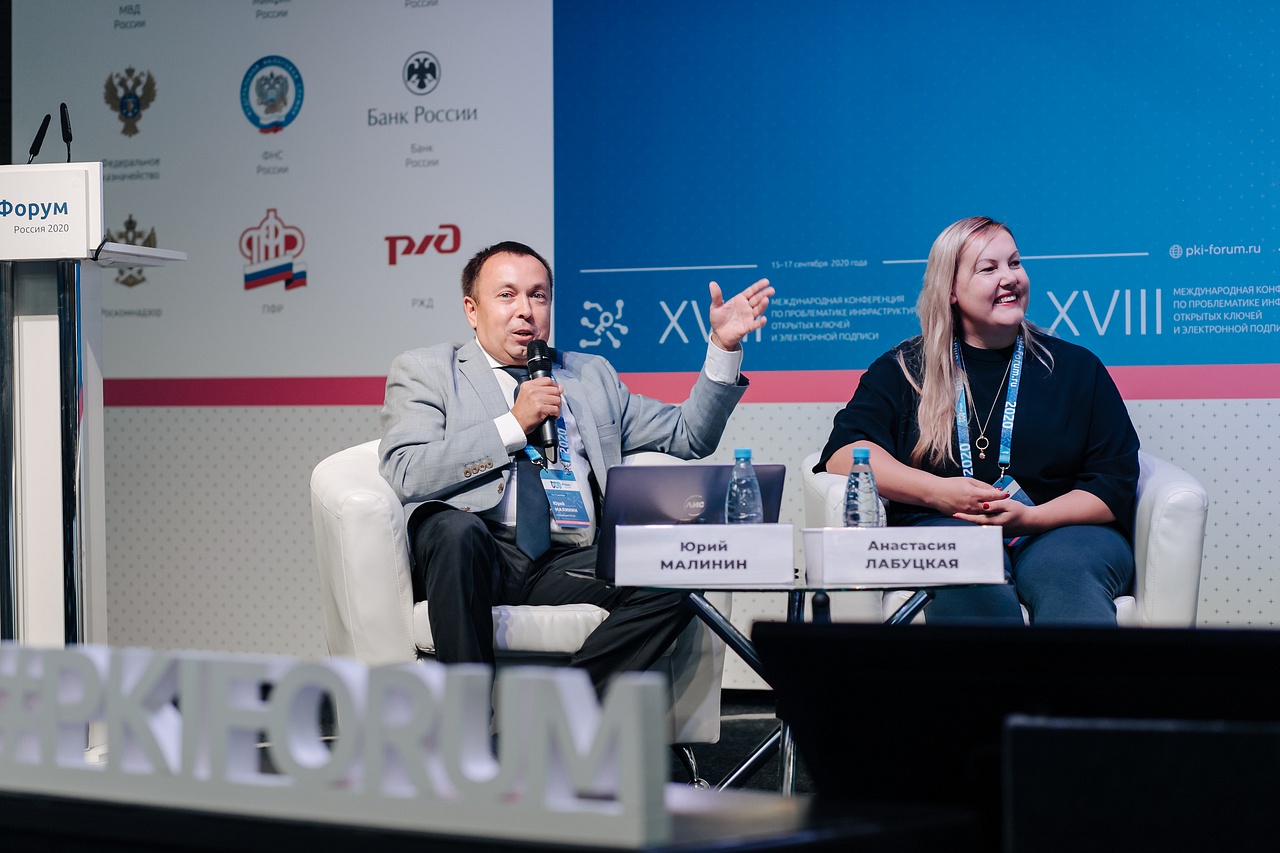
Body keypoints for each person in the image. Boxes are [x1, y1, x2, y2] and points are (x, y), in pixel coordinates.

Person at [380, 240, 773, 691]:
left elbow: (689, 434)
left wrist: (722, 346)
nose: (525, 310)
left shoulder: (589, 377)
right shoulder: (430, 370)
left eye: (538, 296)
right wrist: (513, 425)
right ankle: (467, 719)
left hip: (563, 560)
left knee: (676, 570)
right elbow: (406, 470)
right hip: (475, 555)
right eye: (506, 295)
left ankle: (565, 706)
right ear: (472, 309)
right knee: (454, 530)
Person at [817, 217, 1139, 624]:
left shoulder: (1077, 368)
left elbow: (1113, 484)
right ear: (950, 290)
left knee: (1064, 573)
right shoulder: (904, 369)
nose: (1009, 278)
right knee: (965, 564)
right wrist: (937, 492)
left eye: (1015, 263)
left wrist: (1031, 518)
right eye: (988, 269)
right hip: (943, 526)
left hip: (1059, 529)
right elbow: (846, 453)